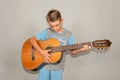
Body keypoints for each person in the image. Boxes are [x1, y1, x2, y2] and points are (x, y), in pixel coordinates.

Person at [30, 9, 91, 80]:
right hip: (44, 65)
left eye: (57, 25)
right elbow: (32, 40)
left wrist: (82, 49)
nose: (54, 28)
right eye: (51, 26)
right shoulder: (47, 32)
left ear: (61, 21)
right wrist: (42, 52)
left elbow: (73, 52)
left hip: (58, 68)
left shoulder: (68, 35)